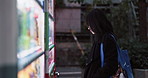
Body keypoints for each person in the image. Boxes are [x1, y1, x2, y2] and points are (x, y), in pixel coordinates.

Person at [84, 9, 118, 78]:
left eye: (90, 24)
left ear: (96, 24)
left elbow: (111, 65)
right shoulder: (99, 39)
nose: (88, 28)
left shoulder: (107, 39)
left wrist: (96, 75)